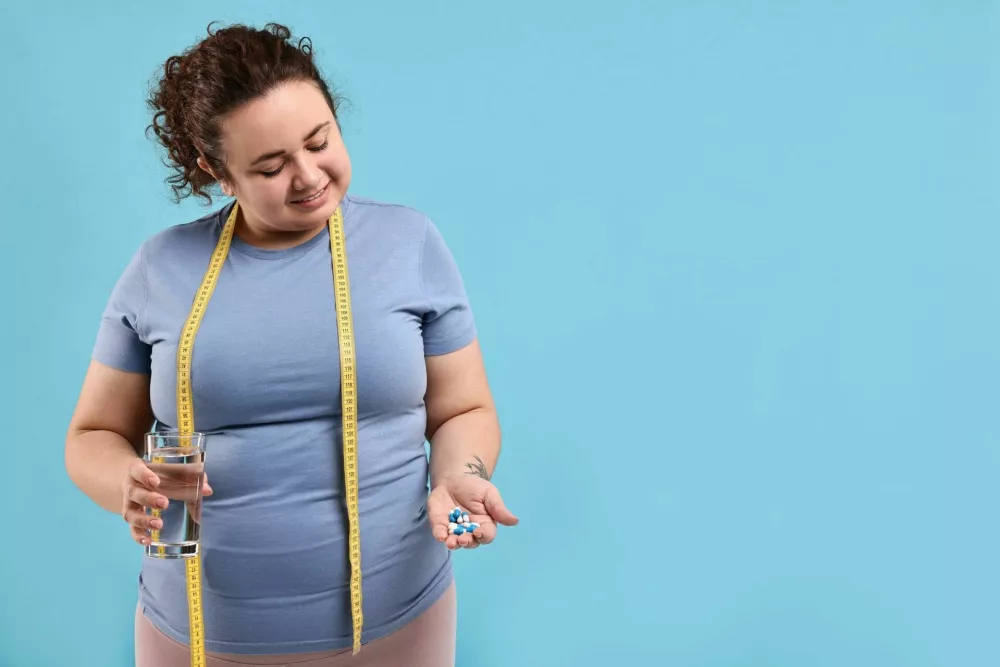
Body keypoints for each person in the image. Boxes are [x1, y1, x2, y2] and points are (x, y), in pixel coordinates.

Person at [64, 21, 517, 667]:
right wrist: (126, 483)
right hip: (200, 629)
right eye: (271, 166)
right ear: (215, 170)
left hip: (397, 622)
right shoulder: (160, 268)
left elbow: (463, 409)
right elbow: (92, 434)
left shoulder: (409, 245)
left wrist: (459, 477)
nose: (309, 176)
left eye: (320, 140)